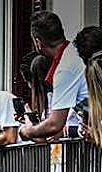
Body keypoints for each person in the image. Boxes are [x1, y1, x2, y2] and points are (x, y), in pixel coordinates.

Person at [19, 11, 89, 142]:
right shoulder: (74, 53)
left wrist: (28, 130)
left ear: (38, 42)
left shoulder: (65, 68)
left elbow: (54, 125)